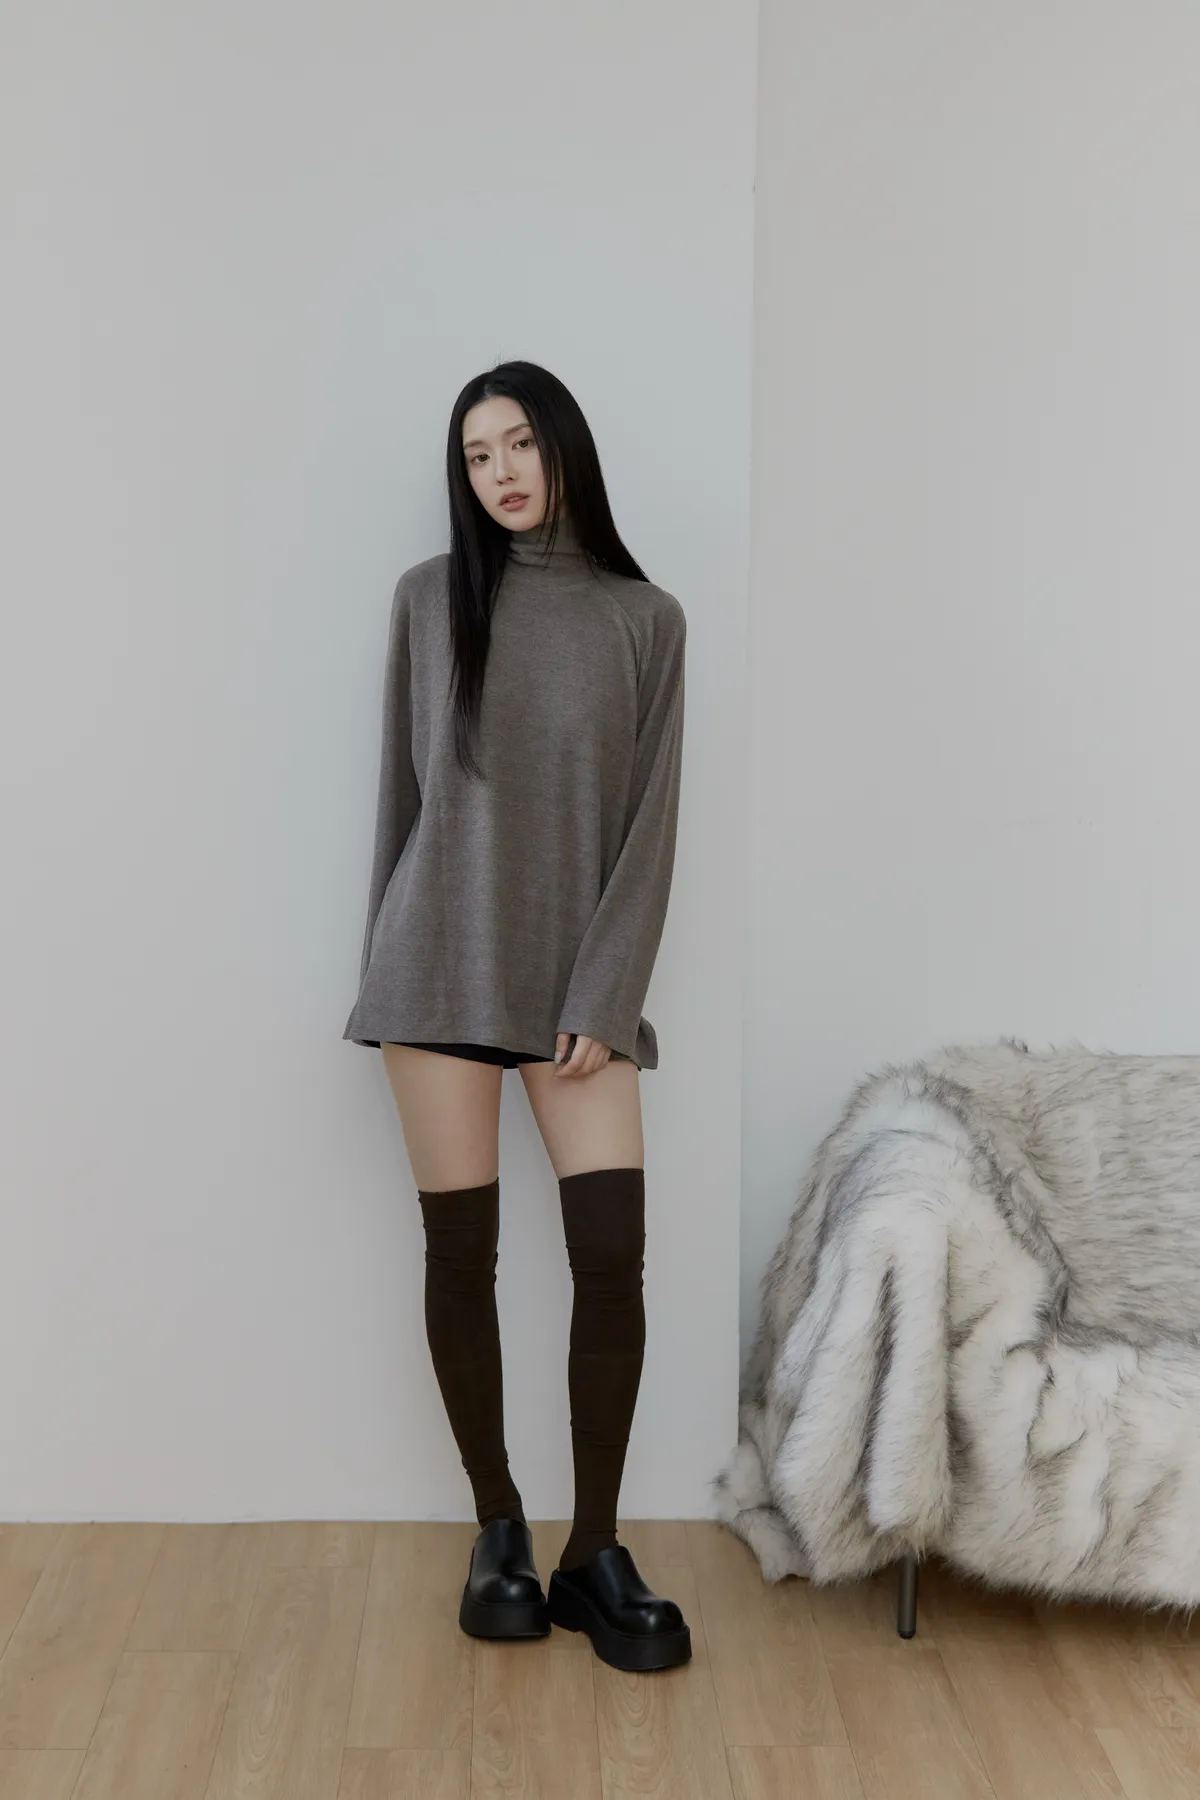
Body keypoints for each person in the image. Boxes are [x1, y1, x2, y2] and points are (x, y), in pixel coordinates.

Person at [343, 359, 689, 1673]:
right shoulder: (429, 600)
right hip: (436, 968)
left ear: (564, 448)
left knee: (611, 1260)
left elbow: (650, 828)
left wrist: (608, 992)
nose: (499, 471)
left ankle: (593, 1552)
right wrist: (384, 974)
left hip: (574, 991)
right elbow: (401, 800)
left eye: (520, 443)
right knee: (462, 1257)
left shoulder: (646, 619)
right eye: (477, 453)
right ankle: (497, 1528)